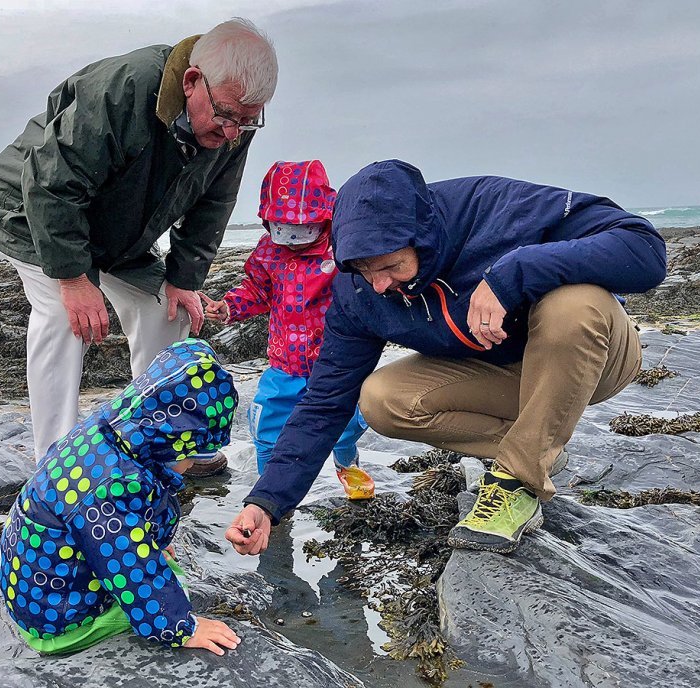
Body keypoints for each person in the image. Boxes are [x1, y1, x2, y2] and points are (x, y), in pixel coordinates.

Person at [226, 160, 667, 555]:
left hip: (594, 359)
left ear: (422, 238)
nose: (379, 284)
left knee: (573, 306)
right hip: (501, 378)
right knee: (380, 398)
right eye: (363, 270)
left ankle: (518, 479)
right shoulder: (357, 289)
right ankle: (536, 448)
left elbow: (643, 249)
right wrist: (268, 502)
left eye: (391, 266)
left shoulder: (494, 207)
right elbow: (325, 401)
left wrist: (514, 273)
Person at [0, 19, 277, 475]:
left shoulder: (232, 124)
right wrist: (75, 278)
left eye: (249, 119)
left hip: (119, 229)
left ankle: (156, 441)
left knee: (167, 309)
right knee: (64, 314)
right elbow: (52, 182)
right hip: (30, 207)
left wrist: (182, 279)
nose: (234, 132)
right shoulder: (126, 88)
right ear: (192, 81)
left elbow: (215, 202)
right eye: (227, 115)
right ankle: (55, 465)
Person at [0, 338, 242, 656]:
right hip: (56, 617)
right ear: (172, 441)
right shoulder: (112, 489)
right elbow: (128, 561)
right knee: (173, 586)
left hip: (36, 584)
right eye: (192, 455)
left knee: (158, 567)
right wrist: (181, 626)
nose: (191, 465)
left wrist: (155, 541)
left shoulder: (109, 431)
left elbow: (140, 507)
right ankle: (105, 624)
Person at [201, 160, 375, 500]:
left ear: (323, 217)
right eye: (281, 230)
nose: (292, 241)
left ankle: (347, 464)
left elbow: (368, 287)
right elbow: (256, 290)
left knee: (345, 424)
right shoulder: (269, 251)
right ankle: (270, 487)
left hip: (335, 362)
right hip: (285, 362)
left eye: (302, 231)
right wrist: (230, 306)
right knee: (268, 426)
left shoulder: (341, 245)